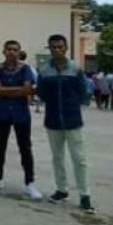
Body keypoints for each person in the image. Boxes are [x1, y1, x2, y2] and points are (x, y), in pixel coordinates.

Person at [37, 34, 95, 213]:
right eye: (53, 47)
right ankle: (62, 190)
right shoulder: (44, 70)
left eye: (60, 46)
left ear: (66, 48)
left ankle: (85, 195)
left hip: (73, 120)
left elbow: (84, 92)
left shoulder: (76, 68)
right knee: (57, 157)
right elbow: (41, 93)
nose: (57, 50)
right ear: (49, 48)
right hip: (52, 120)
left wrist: (73, 104)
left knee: (79, 159)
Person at [0, 40, 43, 200]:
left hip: (21, 113)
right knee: (0, 145)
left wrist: (6, 90)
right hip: (2, 112)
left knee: (25, 147)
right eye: (9, 49)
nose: (11, 52)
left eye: (15, 49)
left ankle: (30, 183)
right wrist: (18, 90)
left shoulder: (25, 69)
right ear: (4, 51)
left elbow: (28, 89)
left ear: (19, 52)